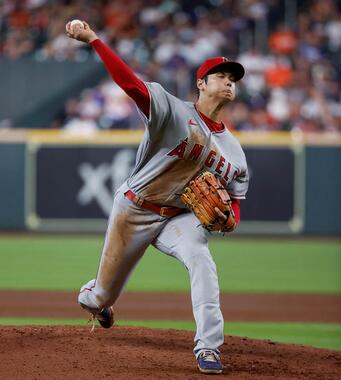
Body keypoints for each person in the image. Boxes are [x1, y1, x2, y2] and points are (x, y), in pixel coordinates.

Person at [66, 21, 249, 375]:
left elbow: (236, 201)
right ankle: (95, 297)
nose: (229, 82)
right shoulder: (172, 111)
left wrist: (230, 220)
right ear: (201, 83)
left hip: (178, 218)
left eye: (233, 78)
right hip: (134, 209)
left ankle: (208, 348)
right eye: (221, 75)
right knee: (98, 298)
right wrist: (94, 40)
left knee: (202, 261)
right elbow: (130, 84)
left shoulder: (235, 153)